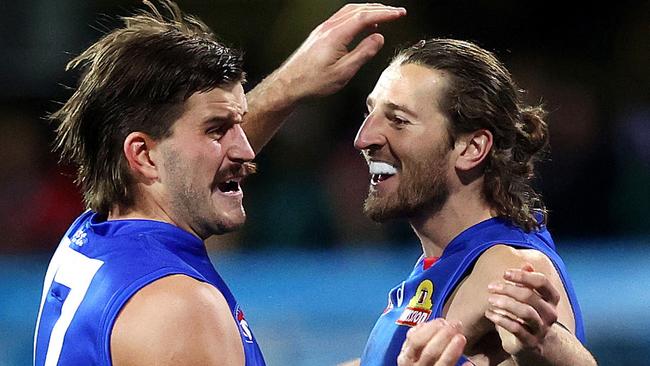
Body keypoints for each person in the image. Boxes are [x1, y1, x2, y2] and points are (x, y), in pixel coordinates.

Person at [32, 1, 406, 365]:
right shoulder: (178, 309)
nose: (246, 150)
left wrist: (290, 85)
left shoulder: (91, 237)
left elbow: (183, 156)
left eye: (238, 125)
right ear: (143, 156)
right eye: (217, 130)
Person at [353, 39, 597, 365]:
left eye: (398, 120)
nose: (363, 138)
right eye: (371, 113)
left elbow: (554, 350)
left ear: (471, 148)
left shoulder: (507, 268)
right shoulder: (447, 264)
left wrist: (548, 344)